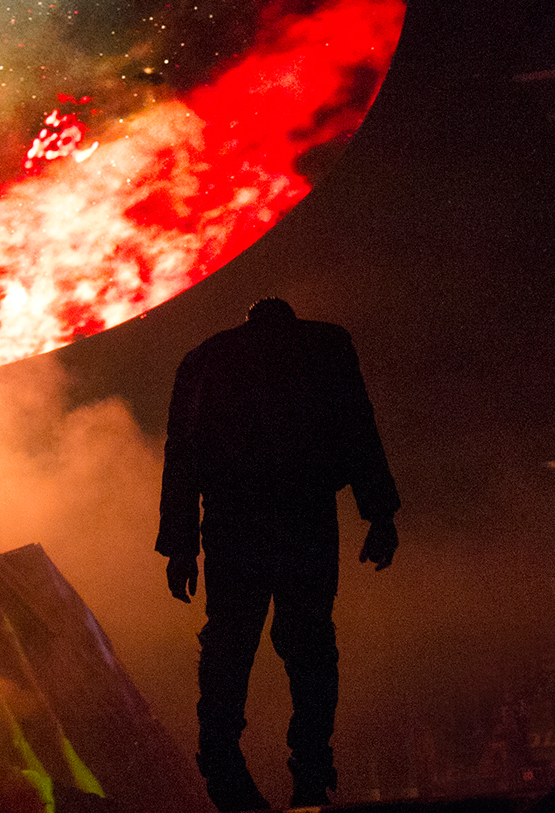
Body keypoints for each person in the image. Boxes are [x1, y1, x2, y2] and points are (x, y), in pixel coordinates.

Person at [157, 298, 400, 810]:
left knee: (229, 642)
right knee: (309, 641)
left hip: (234, 519)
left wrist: (181, 548)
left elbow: (181, 455)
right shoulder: (327, 346)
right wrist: (379, 515)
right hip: (305, 513)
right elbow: (359, 427)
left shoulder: (203, 359)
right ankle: (310, 766)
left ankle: (221, 759)